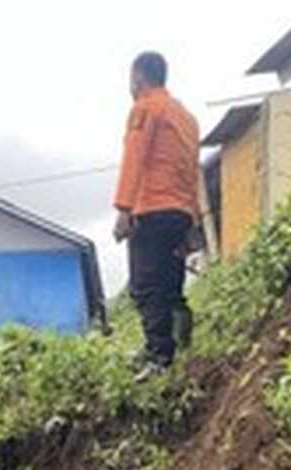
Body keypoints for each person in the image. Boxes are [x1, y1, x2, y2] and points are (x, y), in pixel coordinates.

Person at [113, 51, 200, 378]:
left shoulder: (145, 108)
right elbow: (191, 169)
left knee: (146, 285)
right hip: (180, 212)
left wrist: (124, 209)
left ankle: (159, 356)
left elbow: (134, 158)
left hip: (151, 209)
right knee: (170, 282)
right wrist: (192, 218)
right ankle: (178, 342)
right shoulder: (185, 117)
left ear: (138, 78)